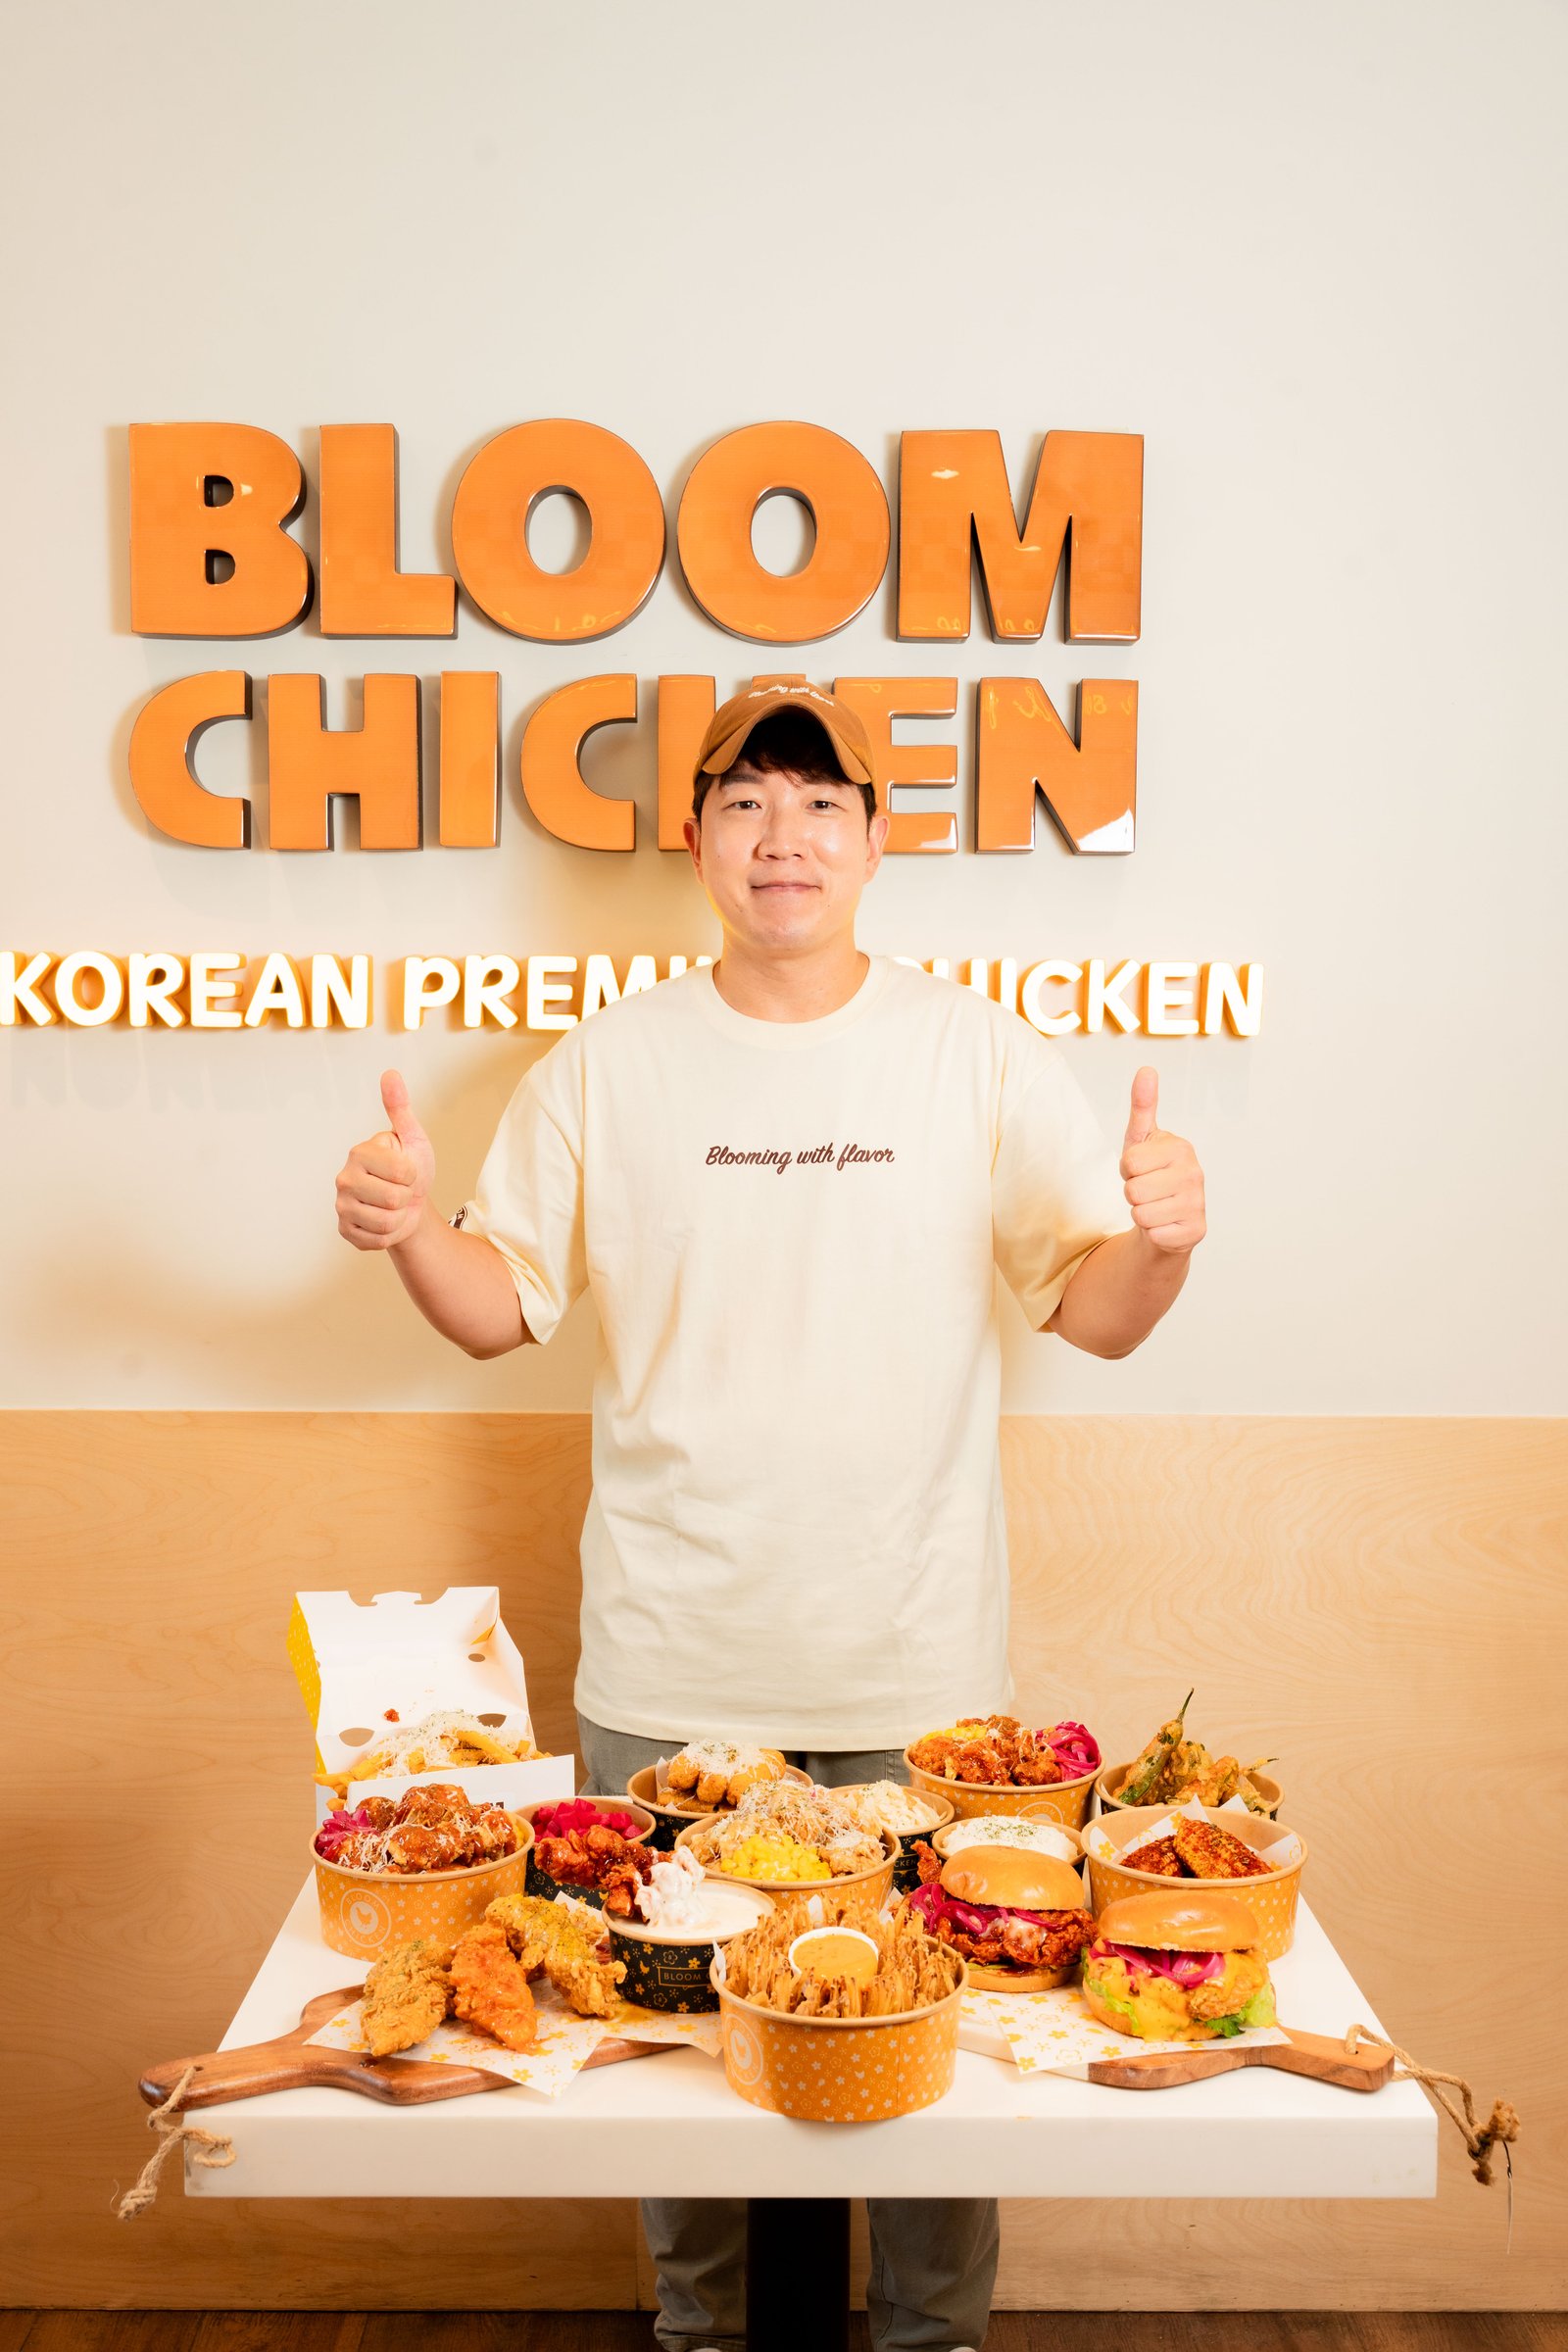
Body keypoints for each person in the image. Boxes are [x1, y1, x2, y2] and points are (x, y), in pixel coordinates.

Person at [334, 680, 1206, 2352]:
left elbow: (1094, 1314)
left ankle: (934, 2337)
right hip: (671, 1665)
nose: (783, 836)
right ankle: (700, 2335)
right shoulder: (610, 1063)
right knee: (671, 2051)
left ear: (877, 841)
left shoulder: (974, 1051)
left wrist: (1161, 1241)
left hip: (915, 1671)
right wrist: (405, 1233)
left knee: (931, 2041)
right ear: (696, 841)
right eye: (747, 801)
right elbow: (496, 1307)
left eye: (819, 804)